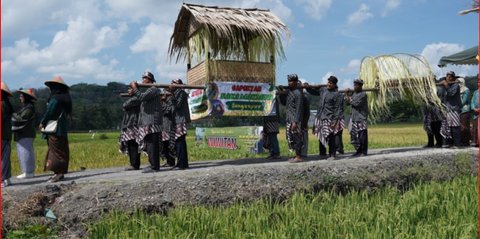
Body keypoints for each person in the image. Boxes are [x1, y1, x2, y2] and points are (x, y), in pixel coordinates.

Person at [40, 76, 72, 183]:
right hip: (61, 128)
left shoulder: (55, 99)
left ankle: (58, 173)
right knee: (61, 150)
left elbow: (50, 112)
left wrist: (42, 122)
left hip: (55, 130)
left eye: (51, 87)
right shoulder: (64, 99)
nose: (50, 89)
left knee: (56, 152)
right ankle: (58, 173)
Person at [130, 71, 163, 173]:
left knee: (152, 144)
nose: (143, 80)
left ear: (149, 80)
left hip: (152, 121)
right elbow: (140, 97)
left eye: (144, 78)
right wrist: (136, 90)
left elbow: (142, 97)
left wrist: (135, 88)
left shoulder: (154, 89)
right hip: (148, 121)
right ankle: (153, 164)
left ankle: (154, 166)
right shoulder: (149, 91)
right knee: (149, 144)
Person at [305, 76, 342, 160]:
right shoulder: (323, 90)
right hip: (321, 117)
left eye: (331, 83)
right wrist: (308, 87)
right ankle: (322, 153)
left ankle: (332, 154)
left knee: (330, 136)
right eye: (328, 82)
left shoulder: (336, 95)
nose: (329, 84)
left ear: (335, 85)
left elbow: (337, 109)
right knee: (321, 135)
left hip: (330, 117)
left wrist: (335, 121)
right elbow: (313, 92)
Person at [278, 74, 304, 163]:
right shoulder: (289, 92)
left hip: (295, 120)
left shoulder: (298, 93)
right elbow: (284, 103)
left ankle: (299, 156)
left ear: (296, 82)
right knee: (291, 138)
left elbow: (299, 108)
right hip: (289, 118)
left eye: (292, 81)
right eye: (289, 81)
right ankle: (296, 155)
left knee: (297, 138)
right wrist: (281, 94)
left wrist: (295, 121)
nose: (290, 83)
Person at [13, 88, 37, 179]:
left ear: (26, 97)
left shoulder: (29, 108)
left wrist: (13, 114)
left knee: (25, 152)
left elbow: (22, 118)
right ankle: (27, 171)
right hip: (25, 133)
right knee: (25, 151)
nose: (20, 98)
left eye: (21, 96)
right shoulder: (27, 107)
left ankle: (28, 172)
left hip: (25, 133)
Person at [170, 79, 191, 170]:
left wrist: (172, 94)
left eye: (173, 83)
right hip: (177, 120)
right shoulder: (176, 93)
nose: (171, 84)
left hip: (181, 120)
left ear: (178, 84)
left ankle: (182, 164)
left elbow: (177, 105)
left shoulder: (181, 93)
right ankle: (181, 163)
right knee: (178, 142)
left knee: (180, 143)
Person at [120, 87, 142, 170]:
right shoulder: (134, 98)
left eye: (130, 89)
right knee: (130, 144)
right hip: (129, 124)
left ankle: (135, 164)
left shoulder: (136, 98)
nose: (128, 91)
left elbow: (125, 105)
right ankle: (133, 163)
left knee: (133, 144)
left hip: (134, 124)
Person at [345, 79, 369, 157]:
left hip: (361, 117)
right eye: (354, 85)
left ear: (360, 86)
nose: (355, 87)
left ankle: (363, 151)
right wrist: (347, 95)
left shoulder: (363, 95)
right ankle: (358, 151)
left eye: (356, 85)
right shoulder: (354, 94)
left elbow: (356, 104)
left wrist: (349, 98)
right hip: (354, 117)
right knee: (354, 135)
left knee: (362, 135)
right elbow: (347, 103)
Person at [440, 71, 462, 148]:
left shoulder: (456, 85)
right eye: (447, 76)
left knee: (455, 126)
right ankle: (448, 143)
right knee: (447, 126)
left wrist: (446, 85)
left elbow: (451, 93)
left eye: (450, 77)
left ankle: (457, 144)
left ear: (453, 78)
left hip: (454, 108)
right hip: (447, 109)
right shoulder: (445, 86)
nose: (448, 78)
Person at [2, 82, 14, 187]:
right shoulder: (7, 104)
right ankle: (7, 178)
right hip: (7, 134)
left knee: (2, 158)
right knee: (6, 157)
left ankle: (3, 178)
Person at [161, 88, 176, 167]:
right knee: (165, 144)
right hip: (163, 126)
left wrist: (163, 102)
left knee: (170, 144)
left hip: (169, 125)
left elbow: (168, 110)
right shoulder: (164, 101)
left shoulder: (171, 101)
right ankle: (168, 161)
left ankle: (171, 161)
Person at [458, 78, 471, 146]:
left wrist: (457, 105)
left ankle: (466, 141)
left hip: (465, 110)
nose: (458, 84)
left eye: (459, 82)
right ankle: (462, 140)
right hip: (460, 110)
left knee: (465, 126)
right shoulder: (458, 90)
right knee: (461, 126)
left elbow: (464, 100)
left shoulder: (466, 90)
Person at [301, 92, 310, 158]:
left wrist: (305, 122)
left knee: (304, 137)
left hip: (303, 119)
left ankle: (303, 153)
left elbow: (307, 112)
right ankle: (298, 152)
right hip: (295, 119)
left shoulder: (305, 97)